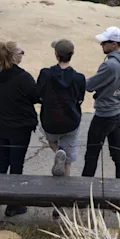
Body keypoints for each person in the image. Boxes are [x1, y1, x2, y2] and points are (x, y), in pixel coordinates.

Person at [82, 27, 120, 179]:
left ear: (114, 44)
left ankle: (83, 192)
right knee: (116, 154)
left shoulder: (111, 65)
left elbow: (89, 86)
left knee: (91, 155)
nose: (102, 45)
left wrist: (76, 80)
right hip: (117, 112)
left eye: (105, 42)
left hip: (104, 115)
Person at [0, 41, 38, 216]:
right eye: (21, 52)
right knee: (16, 164)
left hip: (0, 124)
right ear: (14, 55)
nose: (22, 55)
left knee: (2, 160)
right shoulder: (23, 77)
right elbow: (35, 96)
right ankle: (13, 204)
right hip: (19, 127)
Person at [37, 39, 86, 177]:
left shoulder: (45, 73)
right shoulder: (79, 78)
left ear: (56, 55)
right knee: (68, 160)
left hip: (50, 121)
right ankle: (66, 184)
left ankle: (58, 151)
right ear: (72, 54)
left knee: (52, 141)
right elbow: (80, 99)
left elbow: (37, 95)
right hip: (71, 120)